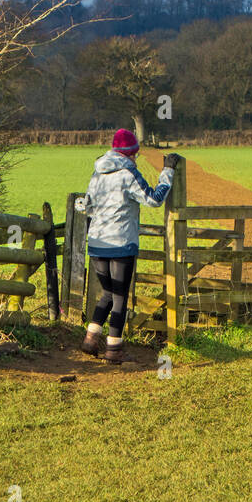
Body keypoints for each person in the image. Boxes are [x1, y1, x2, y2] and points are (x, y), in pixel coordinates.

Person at [80, 129, 183, 362]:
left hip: (97, 243)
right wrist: (168, 170)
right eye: (135, 154)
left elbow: (87, 206)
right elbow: (154, 199)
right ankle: (114, 349)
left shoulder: (96, 174)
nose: (136, 158)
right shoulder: (128, 174)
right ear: (128, 154)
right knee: (119, 297)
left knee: (107, 292)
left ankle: (90, 338)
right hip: (121, 243)